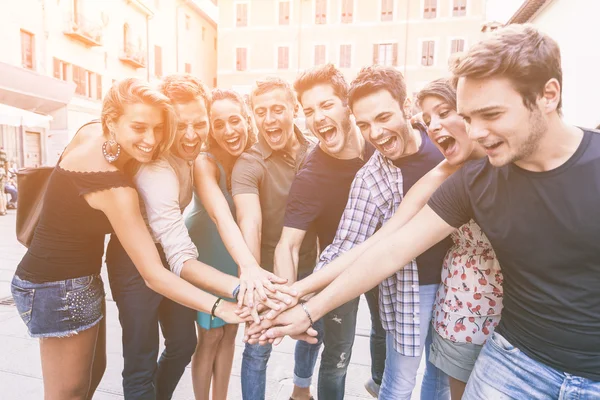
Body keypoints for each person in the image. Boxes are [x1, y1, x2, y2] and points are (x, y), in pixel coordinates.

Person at [252, 24, 600, 400]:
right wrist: (305, 306)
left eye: (490, 114)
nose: (477, 133)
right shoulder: (467, 178)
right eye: (468, 117)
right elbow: (388, 245)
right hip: (514, 360)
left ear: (548, 94)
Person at [10, 78, 248, 400]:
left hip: (81, 278)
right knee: (70, 392)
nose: (151, 140)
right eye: (139, 127)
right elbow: (154, 273)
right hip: (56, 286)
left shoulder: (91, 130)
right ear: (112, 121)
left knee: (93, 376)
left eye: (158, 128)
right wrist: (221, 305)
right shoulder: (116, 188)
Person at [105, 75, 288, 400]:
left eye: (199, 124)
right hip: (136, 262)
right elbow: (180, 254)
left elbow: (222, 214)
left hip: (174, 253)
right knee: (140, 361)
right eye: (180, 126)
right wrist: (238, 287)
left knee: (183, 343)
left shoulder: (192, 157)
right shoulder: (157, 171)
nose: (190, 136)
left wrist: (249, 267)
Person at [272, 63, 384, 399]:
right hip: (339, 271)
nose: (318, 116)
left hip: (388, 261)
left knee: (384, 333)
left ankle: (379, 384)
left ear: (347, 106)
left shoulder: (380, 144)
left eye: (326, 105)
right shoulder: (312, 175)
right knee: (337, 356)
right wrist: (288, 302)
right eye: (309, 110)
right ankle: (307, 389)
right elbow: (287, 246)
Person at [232, 77, 321, 400]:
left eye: (277, 109)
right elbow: (249, 221)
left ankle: (301, 390)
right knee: (257, 346)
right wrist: (253, 279)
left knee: (313, 334)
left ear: (294, 110)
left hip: (314, 267)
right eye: (261, 112)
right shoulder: (249, 163)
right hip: (267, 274)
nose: (269, 119)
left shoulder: (318, 152)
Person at [415, 78, 503, 399]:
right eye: (427, 121)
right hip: (463, 311)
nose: (434, 126)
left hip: (519, 320)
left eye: (443, 112)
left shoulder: (512, 163)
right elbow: (392, 240)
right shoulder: (444, 175)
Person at [185, 88, 259, 400]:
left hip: (236, 255)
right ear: (210, 129)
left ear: (246, 119)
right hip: (210, 255)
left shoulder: (251, 157)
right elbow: (219, 215)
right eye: (218, 124)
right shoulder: (205, 161)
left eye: (234, 120)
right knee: (210, 337)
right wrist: (250, 266)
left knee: (230, 333)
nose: (228, 130)